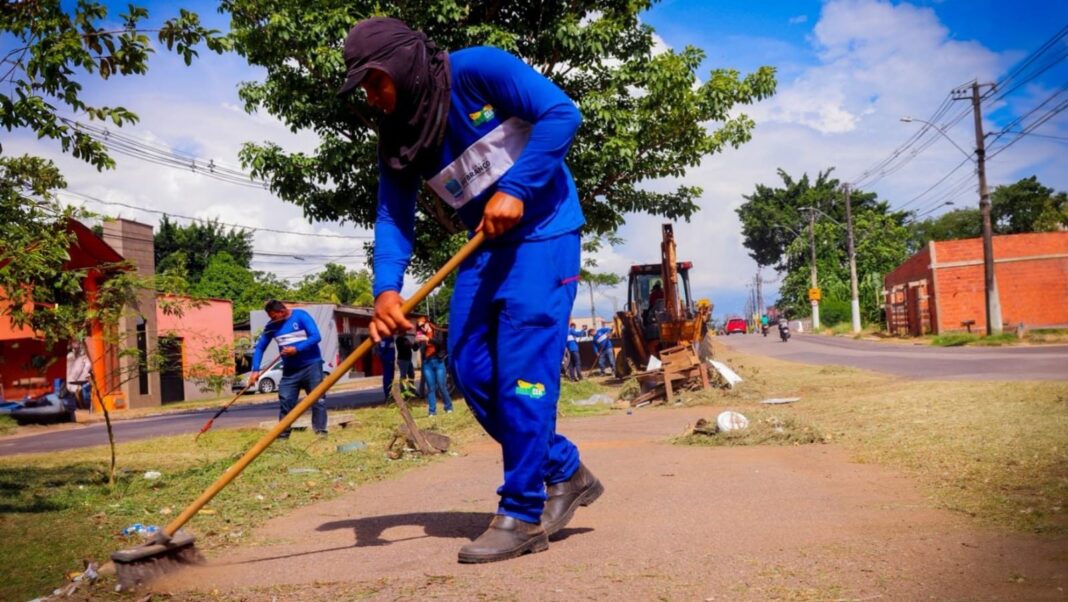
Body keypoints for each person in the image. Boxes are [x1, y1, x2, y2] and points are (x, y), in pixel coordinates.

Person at [341, 17, 602, 563]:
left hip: (545, 235)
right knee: (473, 371)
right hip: (481, 249)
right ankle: (562, 469)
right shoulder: (399, 133)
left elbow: (562, 113)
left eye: (374, 80)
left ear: (405, 63)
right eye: (363, 88)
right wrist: (386, 291)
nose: (371, 95)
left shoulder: (480, 68)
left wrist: (516, 188)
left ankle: (523, 513)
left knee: (523, 376)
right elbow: (393, 215)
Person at [250, 300, 328, 438]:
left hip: (312, 366)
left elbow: (316, 336)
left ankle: (320, 432)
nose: (272, 320)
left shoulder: (301, 316)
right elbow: (260, 347)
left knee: (317, 399)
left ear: (282, 311)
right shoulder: (271, 326)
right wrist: (255, 370)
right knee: (286, 401)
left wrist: (297, 349)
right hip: (290, 370)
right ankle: (283, 435)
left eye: (274, 316)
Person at [422, 323, 451, 415]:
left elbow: (440, 342)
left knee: (441, 386)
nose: (423, 327)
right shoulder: (422, 335)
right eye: (421, 326)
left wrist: (428, 339)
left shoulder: (438, 333)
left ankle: (448, 407)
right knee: (430, 388)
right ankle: (432, 411)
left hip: (438, 362)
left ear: (429, 324)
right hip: (427, 363)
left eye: (424, 324)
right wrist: (416, 342)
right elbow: (415, 348)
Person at [65, 340, 92, 410]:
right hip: (74, 376)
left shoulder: (81, 355)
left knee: (79, 390)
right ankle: (81, 406)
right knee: (77, 390)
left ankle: (82, 406)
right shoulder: (70, 356)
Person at [375, 335, 396, 400]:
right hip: (387, 360)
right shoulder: (385, 338)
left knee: (391, 378)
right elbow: (382, 350)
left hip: (391, 360)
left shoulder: (390, 337)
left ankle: (389, 393)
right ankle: (387, 394)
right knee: (388, 377)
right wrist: (386, 359)